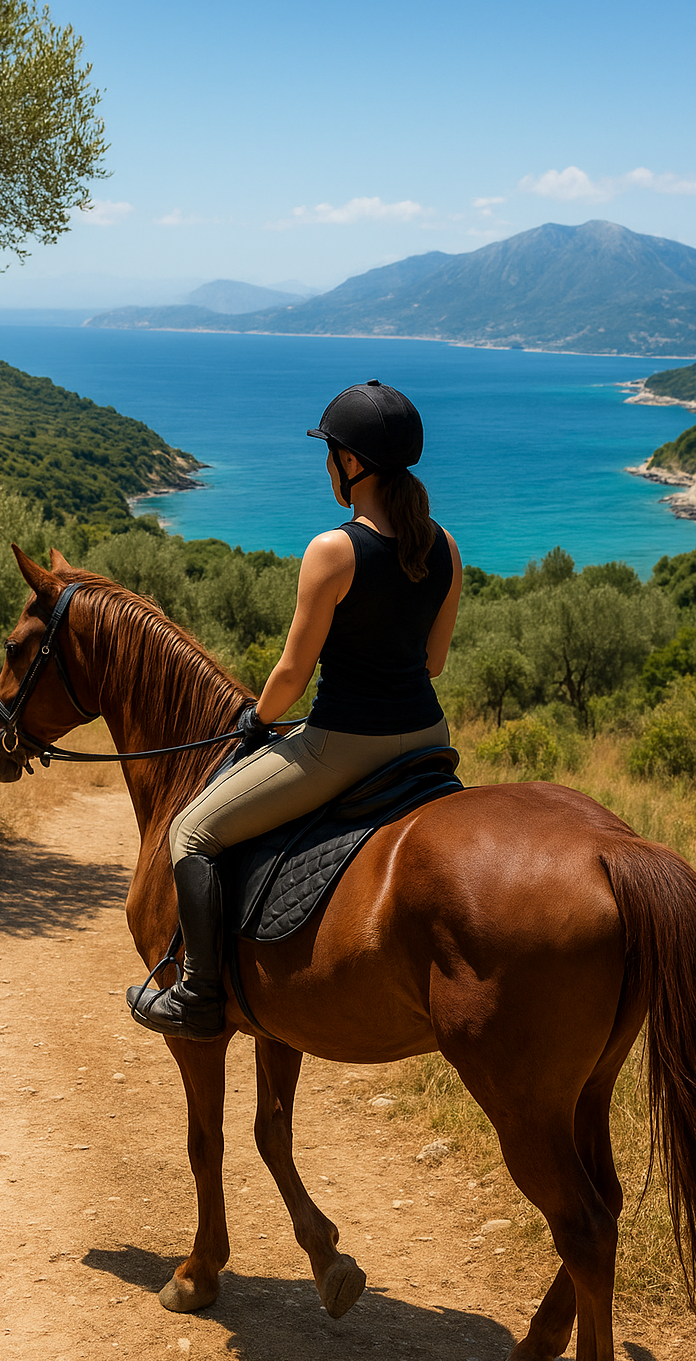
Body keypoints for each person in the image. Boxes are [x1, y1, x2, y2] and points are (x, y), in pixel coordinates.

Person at [127, 379, 463, 1040]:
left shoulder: (333, 550)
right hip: (428, 738)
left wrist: (257, 718)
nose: (328, 463)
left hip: (343, 744)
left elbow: (291, 671)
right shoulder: (443, 545)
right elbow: (434, 664)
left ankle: (196, 995)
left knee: (190, 832)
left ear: (352, 464)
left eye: (331, 451)